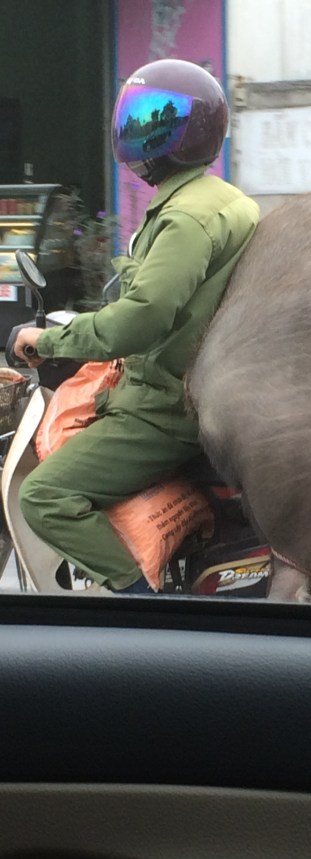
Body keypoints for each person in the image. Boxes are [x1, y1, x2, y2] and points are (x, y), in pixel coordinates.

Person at [13, 58, 260, 594]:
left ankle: (139, 604)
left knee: (44, 496)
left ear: (191, 131)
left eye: (156, 119)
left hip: (164, 409)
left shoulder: (185, 218)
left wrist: (50, 340)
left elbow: (145, 317)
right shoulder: (224, 200)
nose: (140, 130)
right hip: (195, 389)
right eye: (137, 116)